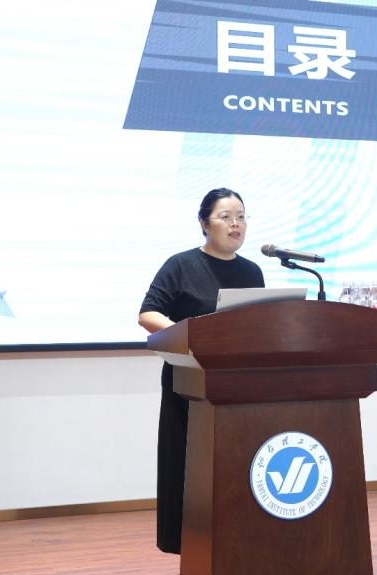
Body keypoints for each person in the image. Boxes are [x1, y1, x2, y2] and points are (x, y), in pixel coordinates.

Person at [137, 187, 264, 554]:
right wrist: (188, 336)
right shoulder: (181, 265)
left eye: (241, 217)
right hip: (190, 382)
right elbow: (148, 313)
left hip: (237, 385)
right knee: (189, 466)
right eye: (226, 217)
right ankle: (189, 545)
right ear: (204, 223)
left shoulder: (252, 270)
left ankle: (238, 541)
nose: (236, 224)